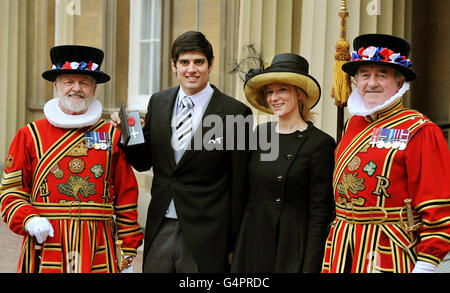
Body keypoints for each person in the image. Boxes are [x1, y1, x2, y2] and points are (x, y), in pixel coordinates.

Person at [110, 31, 253, 273]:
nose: (191, 69)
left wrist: (233, 243)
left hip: (207, 234)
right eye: (184, 62)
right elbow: (144, 162)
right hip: (161, 226)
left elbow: (240, 185)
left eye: (199, 62)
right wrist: (127, 133)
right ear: (174, 66)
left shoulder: (236, 113)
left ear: (210, 64)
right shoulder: (158, 102)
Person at [0, 45, 144, 273]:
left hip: (99, 246)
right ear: (56, 86)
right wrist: (28, 219)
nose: (76, 89)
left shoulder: (112, 135)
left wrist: (127, 251)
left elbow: (126, 196)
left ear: (94, 89)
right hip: (46, 243)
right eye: (69, 81)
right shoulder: (29, 135)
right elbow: (10, 191)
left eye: (84, 83)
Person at [321, 34, 450, 273]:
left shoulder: (421, 130)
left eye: (382, 74)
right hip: (343, 250)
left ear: (399, 82)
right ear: (356, 80)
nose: (371, 83)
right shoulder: (353, 124)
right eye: (364, 74)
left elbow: (439, 206)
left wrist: (427, 263)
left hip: (387, 251)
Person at [230, 53, 335, 273]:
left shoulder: (320, 143)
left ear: (299, 94)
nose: (273, 97)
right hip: (252, 242)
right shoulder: (260, 134)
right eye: (269, 92)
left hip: (291, 247)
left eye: (282, 90)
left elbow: (319, 213)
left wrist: (310, 266)